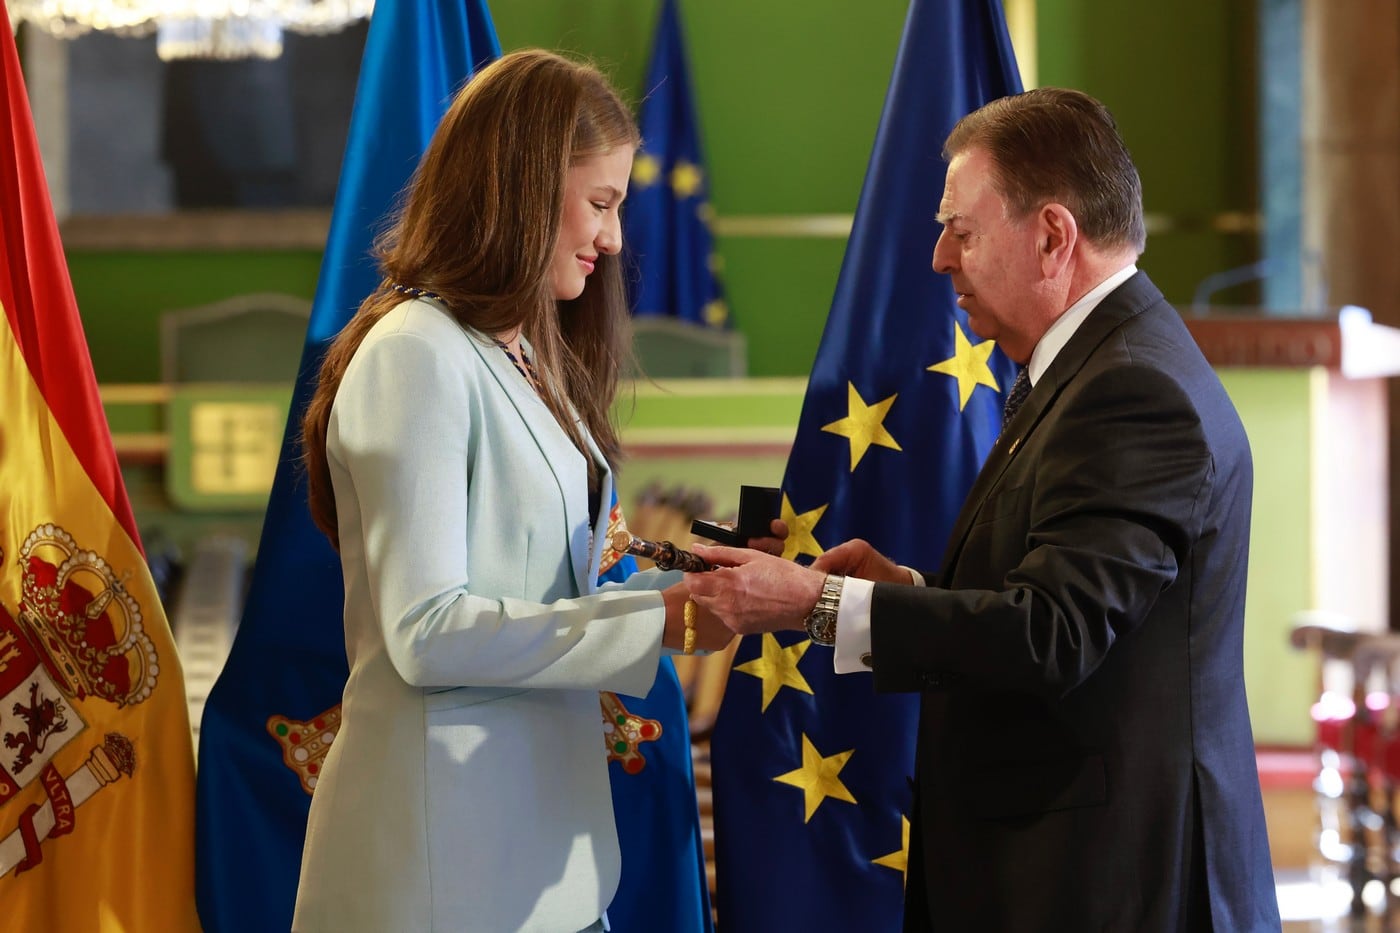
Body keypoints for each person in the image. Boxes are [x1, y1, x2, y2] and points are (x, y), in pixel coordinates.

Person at [685, 87, 1282, 932]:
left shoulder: (1131, 390)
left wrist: (812, 603)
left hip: (1113, 886)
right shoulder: (1096, 365)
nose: (937, 257)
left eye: (961, 231)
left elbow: (1053, 634)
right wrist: (909, 589)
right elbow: (1060, 597)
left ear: (1050, 236)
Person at [292, 49, 733, 933]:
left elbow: (550, 589)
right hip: (441, 873)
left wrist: (701, 594)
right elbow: (427, 631)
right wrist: (660, 620)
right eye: (601, 203)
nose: (613, 239)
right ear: (523, 187)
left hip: (542, 858)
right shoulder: (415, 351)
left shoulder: (525, 350)